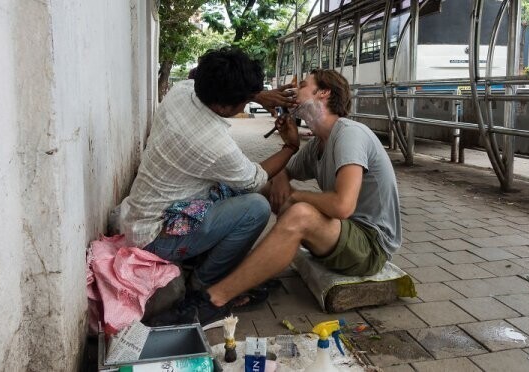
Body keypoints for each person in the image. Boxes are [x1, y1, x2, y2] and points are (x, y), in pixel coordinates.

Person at [166, 68, 402, 325]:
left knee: (301, 213)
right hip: (340, 235)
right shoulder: (318, 143)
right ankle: (221, 263)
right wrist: (288, 146)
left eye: (302, 85)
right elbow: (278, 175)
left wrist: (297, 197)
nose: (293, 92)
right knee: (258, 185)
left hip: (370, 245)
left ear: (323, 93)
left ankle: (214, 300)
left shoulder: (349, 133)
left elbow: (343, 206)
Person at [119, 47, 299, 307]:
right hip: (155, 237)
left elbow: (199, 80)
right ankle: (205, 285)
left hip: (140, 217)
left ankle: (200, 261)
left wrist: (257, 95)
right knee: (256, 206)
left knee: (230, 190)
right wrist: (290, 146)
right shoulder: (215, 145)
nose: (246, 105)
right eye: (244, 102)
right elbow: (255, 180)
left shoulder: (181, 92)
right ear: (224, 106)